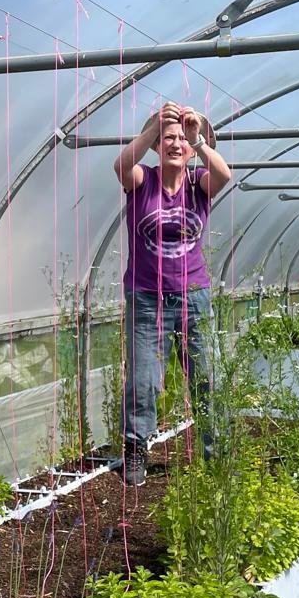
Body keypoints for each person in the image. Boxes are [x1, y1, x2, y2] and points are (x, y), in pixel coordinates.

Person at [113, 101, 231, 486]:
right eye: (169, 138)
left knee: (206, 376)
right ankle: (134, 453)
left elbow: (225, 174)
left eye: (180, 138)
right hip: (147, 299)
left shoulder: (199, 184)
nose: (175, 144)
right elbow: (119, 167)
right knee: (144, 380)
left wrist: (198, 139)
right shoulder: (142, 180)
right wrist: (152, 128)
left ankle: (215, 453)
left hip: (193, 297)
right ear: (157, 146)